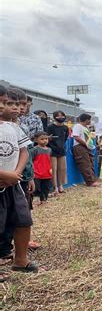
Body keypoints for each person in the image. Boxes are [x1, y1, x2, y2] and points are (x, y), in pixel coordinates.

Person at [0, 85, 38, 275]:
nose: (13, 107)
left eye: (15, 104)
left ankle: (21, 260)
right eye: (7, 103)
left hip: (13, 184)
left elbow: (23, 151)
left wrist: (16, 173)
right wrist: (4, 175)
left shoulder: (13, 127)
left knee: (23, 220)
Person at [72, 114, 99, 187]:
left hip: (87, 147)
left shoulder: (86, 128)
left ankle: (94, 179)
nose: (90, 121)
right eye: (89, 119)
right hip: (80, 146)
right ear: (86, 119)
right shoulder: (77, 126)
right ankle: (90, 182)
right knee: (85, 164)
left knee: (90, 163)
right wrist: (86, 144)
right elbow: (76, 137)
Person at [46, 111, 69, 194]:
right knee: (53, 169)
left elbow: (65, 138)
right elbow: (47, 137)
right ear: (54, 117)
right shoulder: (50, 127)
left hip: (61, 150)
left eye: (62, 115)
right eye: (58, 116)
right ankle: (55, 187)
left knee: (62, 168)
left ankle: (61, 185)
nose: (60, 117)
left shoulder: (66, 128)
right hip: (52, 150)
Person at [31, 132, 53, 205]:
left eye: (46, 139)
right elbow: (31, 160)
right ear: (36, 140)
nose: (45, 140)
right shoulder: (34, 149)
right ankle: (36, 200)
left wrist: (51, 169)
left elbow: (49, 161)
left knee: (46, 188)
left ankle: (44, 199)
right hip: (37, 174)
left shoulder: (49, 150)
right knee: (37, 188)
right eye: (42, 139)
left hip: (47, 173)